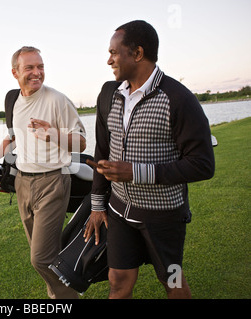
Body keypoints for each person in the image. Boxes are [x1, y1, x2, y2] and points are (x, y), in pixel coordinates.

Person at [84, 20, 215, 299]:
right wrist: (98, 205)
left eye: (114, 52)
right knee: (118, 280)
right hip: (119, 210)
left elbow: (203, 164)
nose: (109, 60)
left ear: (138, 53)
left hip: (164, 215)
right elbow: (102, 151)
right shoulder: (109, 94)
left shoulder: (179, 99)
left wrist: (136, 172)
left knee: (173, 280)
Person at [0, 46, 86, 299]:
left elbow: (81, 142)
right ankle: (57, 297)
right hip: (23, 184)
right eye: (30, 68)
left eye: (41, 67)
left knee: (40, 258)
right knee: (45, 253)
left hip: (53, 181)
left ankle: (69, 296)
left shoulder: (57, 100)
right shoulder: (13, 100)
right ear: (15, 72)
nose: (37, 73)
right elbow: (13, 137)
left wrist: (53, 134)